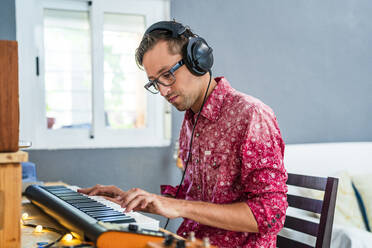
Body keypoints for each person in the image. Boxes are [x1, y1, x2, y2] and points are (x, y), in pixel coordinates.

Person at [78, 21, 288, 248]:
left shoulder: (251, 115)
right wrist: (138, 201)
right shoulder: (191, 121)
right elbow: (193, 202)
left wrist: (179, 208)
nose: (163, 91)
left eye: (167, 75)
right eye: (155, 83)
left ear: (197, 60)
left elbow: (271, 214)